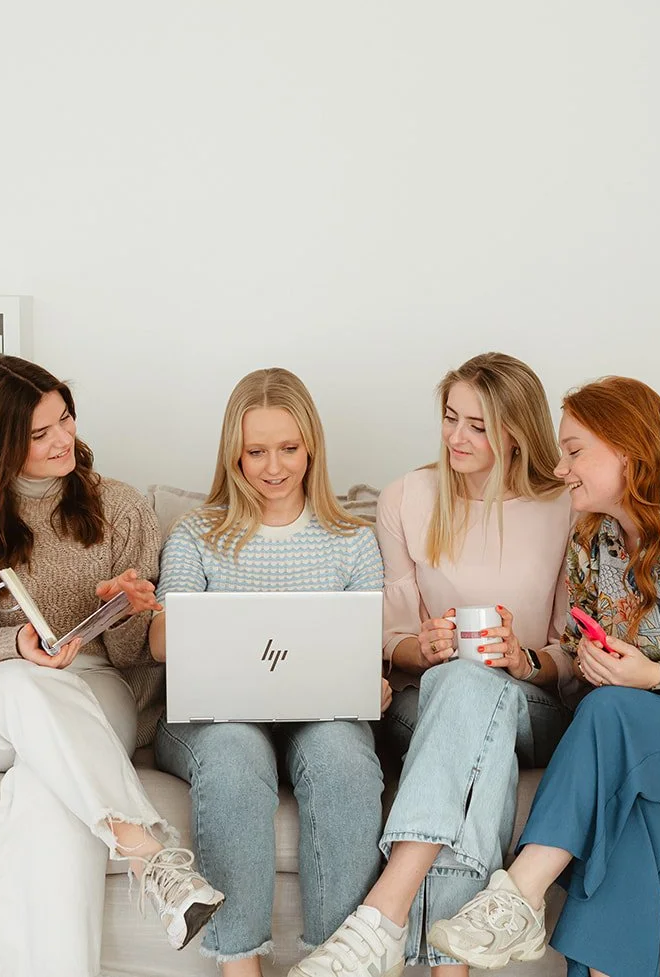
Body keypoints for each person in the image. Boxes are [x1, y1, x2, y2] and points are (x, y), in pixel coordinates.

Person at [425, 376, 660, 977]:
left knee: (608, 710)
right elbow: (575, 650)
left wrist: (652, 675)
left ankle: (520, 893)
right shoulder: (596, 538)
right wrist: (528, 661)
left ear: (628, 452)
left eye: (574, 451)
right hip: (648, 740)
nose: (560, 468)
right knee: (625, 818)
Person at [0, 354, 224, 977]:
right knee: (27, 685)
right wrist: (12, 647)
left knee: (46, 805)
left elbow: (138, 657)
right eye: (39, 433)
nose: (63, 440)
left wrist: (127, 610)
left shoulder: (119, 508)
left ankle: (143, 866)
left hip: (96, 689)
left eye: (66, 420)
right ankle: (148, 853)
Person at [292, 352, 574, 977]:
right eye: (450, 418)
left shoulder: (565, 507)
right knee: (475, 732)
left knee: (475, 690)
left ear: (517, 431)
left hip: (532, 704)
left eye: (478, 425)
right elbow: (387, 638)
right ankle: (450, 967)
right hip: (422, 702)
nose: (456, 437)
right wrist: (421, 648)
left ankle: (382, 918)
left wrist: (525, 658)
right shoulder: (407, 498)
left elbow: (573, 653)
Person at [151, 368, 389, 974]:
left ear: (312, 448)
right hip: (214, 718)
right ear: (234, 453)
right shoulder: (196, 533)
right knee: (234, 754)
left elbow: (368, 651)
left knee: (343, 760)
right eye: (256, 451)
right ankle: (240, 965)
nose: (274, 467)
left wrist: (372, 684)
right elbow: (159, 644)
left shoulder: (353, 540)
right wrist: (174, 615)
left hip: (319, 716)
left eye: (288, 449)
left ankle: (336, 963)